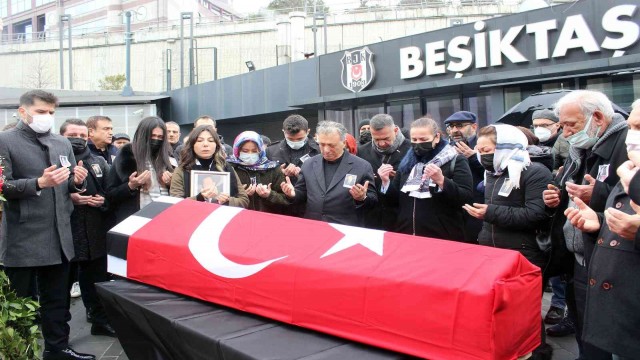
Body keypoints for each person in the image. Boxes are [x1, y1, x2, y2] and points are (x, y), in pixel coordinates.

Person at [0, 90, 95, 360]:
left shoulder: (61, 143)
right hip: (23, 235)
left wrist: (76, 182)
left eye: (51, 113)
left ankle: (58, 348)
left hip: (59, 234)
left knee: (57, 299)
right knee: (21, 303)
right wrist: (38, 183)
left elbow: (65, 184)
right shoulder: (4, 141)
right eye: (41, 112)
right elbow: (2, 185)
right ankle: (20, 351)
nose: (47, 117)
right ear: (23, 111)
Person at [542, 90, 628, 358]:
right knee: (584, 335)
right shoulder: (580, 149)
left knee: (605, 340)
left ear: (598, 118)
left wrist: (599, 194)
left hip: (608, 263)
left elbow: (629, 200)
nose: (565, 133)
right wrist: (556, 196)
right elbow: (571, 189)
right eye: (562, 125)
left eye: (571, 125)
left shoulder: (626, 145)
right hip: (577, 258)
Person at [463, 124, 553, 360]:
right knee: (501, 310)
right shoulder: (494, 172)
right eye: (480, 150)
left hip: (524, 253)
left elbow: (536, 214)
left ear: (505, 147)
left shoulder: (534, 172)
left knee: (526, 312)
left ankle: (538, 352)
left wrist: (489, 212)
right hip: (493, 252)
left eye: (488, 149)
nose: (482, 155)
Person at [563, 98, 640, 359]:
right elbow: (619, 212)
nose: (632, 137)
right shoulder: (630, 167)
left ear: (596, 117)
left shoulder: (625, 164)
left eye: (639, 127)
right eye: (631, 126)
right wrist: (598, 225)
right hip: (596, 264)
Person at [59, 119, 115, 338]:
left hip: (94, 232)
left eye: (83, 136)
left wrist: (103, 201)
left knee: (97, 281)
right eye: (72, 134)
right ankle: (59, 334)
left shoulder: (98, 162)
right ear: (61, 135)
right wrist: (70, 199)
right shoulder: (54, 161)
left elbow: (111, 193)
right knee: (62, 285)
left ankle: (99, 320)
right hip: (66, 234)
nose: (78, 139)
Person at [380, 117, 472, 240]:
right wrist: (385, 182)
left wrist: (442, 181)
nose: (418, 143)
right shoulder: (407, 163)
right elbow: (394, 201)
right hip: (407, 234)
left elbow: (465, 198)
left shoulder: (455, 160)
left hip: (443, 236)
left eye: (423, 139)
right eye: (414, 139)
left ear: (437, 137)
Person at [280, 121, 377, 227]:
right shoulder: (309, 164)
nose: (326, 150)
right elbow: (301, 193)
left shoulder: (362, 166)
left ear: (344, 143)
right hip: (314, 226)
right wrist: (292, 194)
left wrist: (362, 198)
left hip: (345, 229)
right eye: (322, 144)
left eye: (331, 145)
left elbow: (373, 201)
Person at [105, 117, 174, 226]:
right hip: (136, 219)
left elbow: (180, 191)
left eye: (160, 137)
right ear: (143, 135)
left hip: (165, 218)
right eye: (152, 136)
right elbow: (110, 194)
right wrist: (131, 186)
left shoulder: (169, 157)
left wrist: (171, 183)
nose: (156, 140)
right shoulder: (127, 154)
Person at [170, 125, 248, 207]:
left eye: (211, 141)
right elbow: (175, 203)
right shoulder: (182, 170)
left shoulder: (227, 168)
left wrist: (227, 200)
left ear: (216, 145)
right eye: (200, 141)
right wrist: (199, 197)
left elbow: (244, 200)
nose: (205, 144)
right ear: (192, 144)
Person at [357, 114, 411, 231]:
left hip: (401, 218)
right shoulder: (362, 151)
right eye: (376, 139)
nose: (381, 144)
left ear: (396, 130)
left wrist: (399, 177)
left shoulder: (411, 149)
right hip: (371, 219)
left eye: (386, 139)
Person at [266, 114, 320, 216]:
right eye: (290, 138)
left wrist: (303, 174)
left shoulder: (319, 150)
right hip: (282, 206)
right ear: (283, 132)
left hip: (309, 206)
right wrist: (279, 174)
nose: (295, 142)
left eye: (300, 139)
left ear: (308, 131)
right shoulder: (271, 151)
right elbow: (266, 178)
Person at [445, 111, 484, 243]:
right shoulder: (446, 148)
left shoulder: (483, 145)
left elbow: (493, 173)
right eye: (451, 126)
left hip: (477, 207)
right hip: (453, 208)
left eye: (460, 126)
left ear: (474, 126)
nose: (455, 130)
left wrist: (474, 157)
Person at [227, 131, 287, 212]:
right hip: (238, 218)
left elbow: (286, 200)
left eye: (254, 151)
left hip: (266, 219)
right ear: (237, 150)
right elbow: (222, 199)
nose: (250, 154)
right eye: (245, 151)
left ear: (261, 150)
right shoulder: (229, 167)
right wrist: (242, 197)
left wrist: (269, 195)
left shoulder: (272, 168)